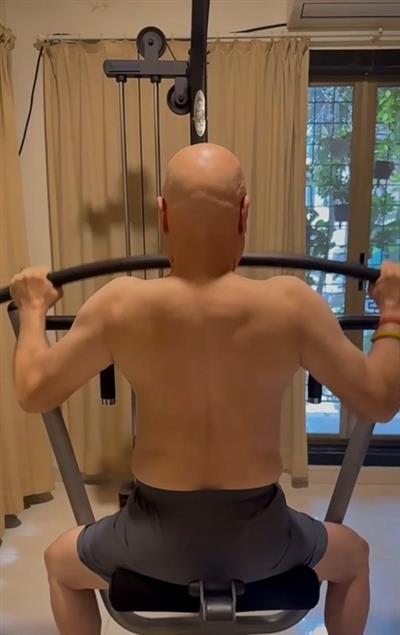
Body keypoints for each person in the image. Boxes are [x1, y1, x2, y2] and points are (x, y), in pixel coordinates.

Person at [10, 143, 400, 635]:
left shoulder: (120, 304)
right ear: (244, 212)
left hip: (149, 543)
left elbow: (34, 391)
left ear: (163, 214)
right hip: (264, 541)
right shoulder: (292, 305)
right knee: (355, 556)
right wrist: (392, 311)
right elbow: (380, 400)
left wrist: (33, 310)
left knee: (59, 563)